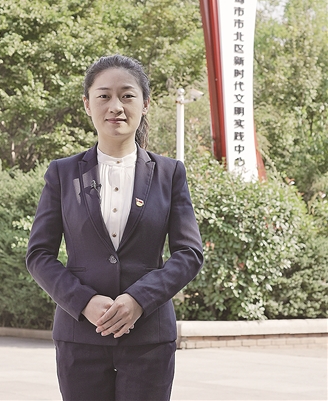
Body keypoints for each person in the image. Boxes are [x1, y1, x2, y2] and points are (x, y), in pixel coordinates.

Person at [26, 54, 203, 401]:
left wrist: (139, 300)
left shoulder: (169, 173)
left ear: (145, 103)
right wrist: (84, 301)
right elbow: (39, 255)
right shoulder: (62, 173)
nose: (116, 106)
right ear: (87, 104)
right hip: (80, 336)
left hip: (149, 338)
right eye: (104, 96)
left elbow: (189, 253)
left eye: (127, 95)